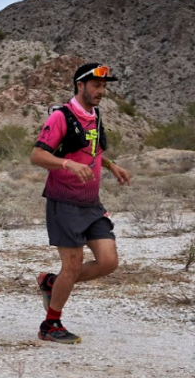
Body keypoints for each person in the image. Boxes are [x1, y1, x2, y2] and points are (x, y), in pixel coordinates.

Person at [30, 63, 131, 344]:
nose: (101, 91)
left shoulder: (95, 116)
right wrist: (67, 164)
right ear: (80, 86)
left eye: (104, 86)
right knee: (72, 265)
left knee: (108, 262)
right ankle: (51, 325)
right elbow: (37, 155)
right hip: (64, 201)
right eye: (96, 85)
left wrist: (111, 165)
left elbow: (91, 151)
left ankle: (52, 282)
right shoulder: (61, 117)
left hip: (91, 203)